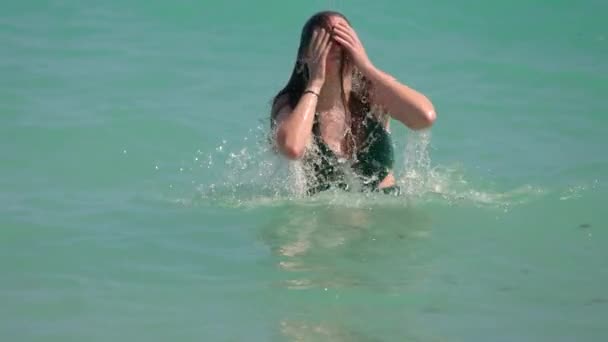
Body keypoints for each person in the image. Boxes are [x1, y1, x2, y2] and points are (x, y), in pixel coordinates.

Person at [270, 11, 436, 195]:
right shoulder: (292, 104)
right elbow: (292, 148)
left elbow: (424, 118)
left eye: (343, 35)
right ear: (304, 55)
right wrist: (315, 82)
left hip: (386, 214)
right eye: (327, 38)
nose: (337, 44)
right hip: (325, 221)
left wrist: (367, 67)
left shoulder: (373, 92)